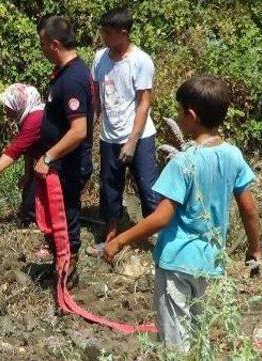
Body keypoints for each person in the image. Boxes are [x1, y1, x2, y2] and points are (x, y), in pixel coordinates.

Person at [103, 76, 262, 351]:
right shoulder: (233, 155)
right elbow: (248, 209)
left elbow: (162, 217)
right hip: (210, 260)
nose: (179, 116)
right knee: (199, 333)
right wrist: (255, 249)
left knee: (175, 342)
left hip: (176, 262)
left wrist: (120, 240)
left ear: (190, 115)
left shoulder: (184, 163)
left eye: (180, 112)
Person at [89, 7, 159, 255]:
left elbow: (144, 104)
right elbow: (97, 98)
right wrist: (91, 128)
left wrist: (131, 142)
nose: (104, 38)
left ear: (124, 32)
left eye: (108, 33)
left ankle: (158, 242)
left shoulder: (140, 61)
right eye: (102, 32)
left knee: (149, 189)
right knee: (109, 188)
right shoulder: (100, 58)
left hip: (140, 136)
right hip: (109, 136)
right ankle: (111, 236)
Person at [36, 15, 94, 286]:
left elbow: (79, 130)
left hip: (68, 164)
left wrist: (49, 156)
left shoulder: (72, 78)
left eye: (43, 45)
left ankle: (67, 273)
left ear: (54, 44)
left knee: (66, 216)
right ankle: (60, 264)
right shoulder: (68, 73)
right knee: (59, 216)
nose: (42, 50)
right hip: (63, 162)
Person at [0, 83, 45, 225]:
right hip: (41, 162)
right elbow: (28, 148)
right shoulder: (29, 116)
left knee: (31, 205)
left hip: (53, 164)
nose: (5, 110)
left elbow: (16, 150)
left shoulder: (35, 118)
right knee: (28, 194)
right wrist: (28, 174)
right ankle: (30, 219)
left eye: (8, 106)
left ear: (18, 104)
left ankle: (34, 225)